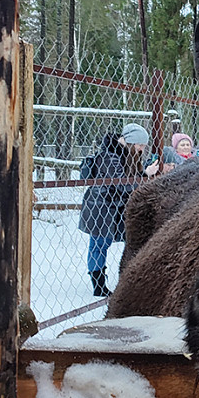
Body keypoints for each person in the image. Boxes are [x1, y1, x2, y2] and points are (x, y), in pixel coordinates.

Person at [78, 123, 159, 297]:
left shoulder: (127, 154)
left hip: (116, 206)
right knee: (99, 244)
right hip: (101, 205)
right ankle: (98, 285)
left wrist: (144, 172)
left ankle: (126, 279)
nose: (142, 149)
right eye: (140, 145)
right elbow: (121, 184)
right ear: (131, 141)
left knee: (126, 241)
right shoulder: (109, 156)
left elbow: (128, 181)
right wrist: (145, 174)